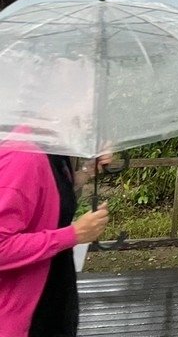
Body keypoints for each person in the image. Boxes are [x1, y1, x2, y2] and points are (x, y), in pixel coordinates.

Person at [0, 133, 110, 337]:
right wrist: (73, 234)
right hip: (28, 316)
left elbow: (47, 194)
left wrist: (86, 171)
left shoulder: (51, 149)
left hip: (55, 298)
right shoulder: (23, 154)